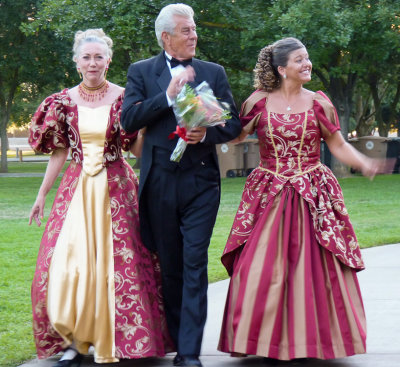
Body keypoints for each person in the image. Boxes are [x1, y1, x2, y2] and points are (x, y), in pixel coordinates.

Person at [218, 37, 384, 361]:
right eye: (299, 60)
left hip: (313, 193)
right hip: (270, 193)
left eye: (307, 58)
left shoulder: (319, 102)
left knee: (316, 268)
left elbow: (336, 144)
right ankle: (260, 340)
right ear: (281, 69)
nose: (307, 64)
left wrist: (363, 162)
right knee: (259, 267)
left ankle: (316, 342)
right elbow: (236, 136)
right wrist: (199, 129)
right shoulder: (257, 102)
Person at [28, 28, 171, 366]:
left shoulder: (126, 98)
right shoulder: (61, 101)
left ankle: (124, 341)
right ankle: (73, 342)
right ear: (77, 62)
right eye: (86, 57)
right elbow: (59, 153)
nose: (93, 63)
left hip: (118, 186)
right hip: (76, 188)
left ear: (108, 61)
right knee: (68, 263)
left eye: (99, 57)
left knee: (120, 264)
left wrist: (150, 127)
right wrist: (41, 195)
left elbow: (135, 148)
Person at [121, 4, 241, 367]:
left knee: (194, 262)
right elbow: (129, 119)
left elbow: (232, 126)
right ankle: (175, 338)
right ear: (166, 37)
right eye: (187, 30)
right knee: (170, 265)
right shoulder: (142, 71)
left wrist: (206, 133)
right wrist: (168, 95)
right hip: (159, 182)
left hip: (201, 182)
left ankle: (189, 353)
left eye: (194, 29)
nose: (194, 35)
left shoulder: (213, 72)